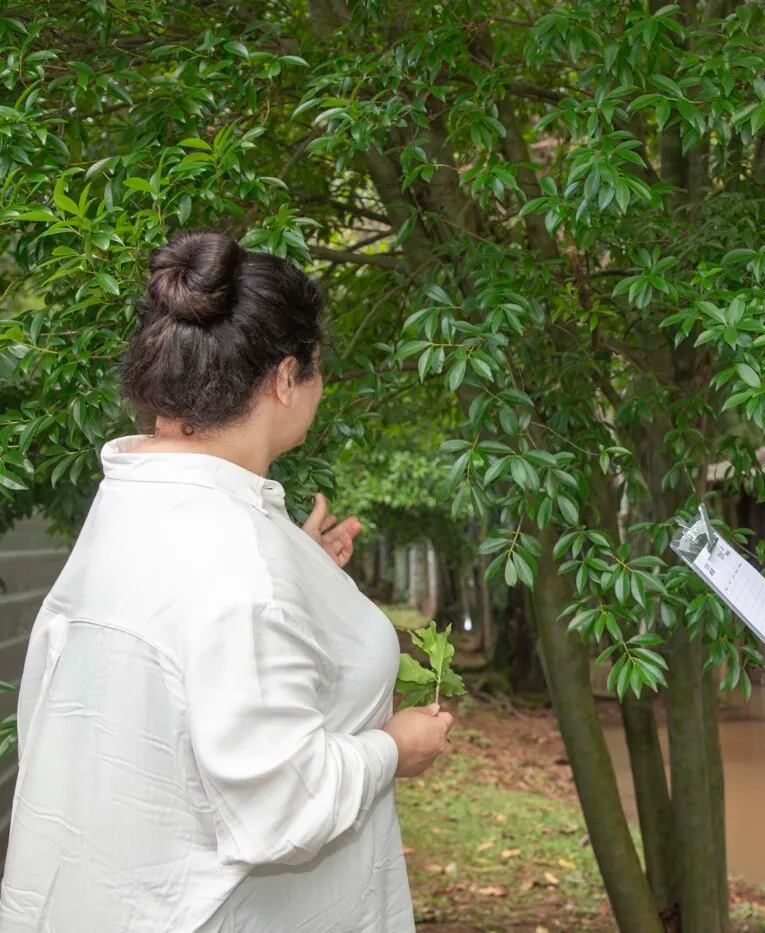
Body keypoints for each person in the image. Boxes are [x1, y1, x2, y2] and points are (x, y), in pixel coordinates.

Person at [0, 229, 453, 933]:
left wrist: (293, 571)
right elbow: (282, 805)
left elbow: (190, 634)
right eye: (316, 368)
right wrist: (396, 748)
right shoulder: (239, 564)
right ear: (283, 377)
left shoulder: (139, 496)